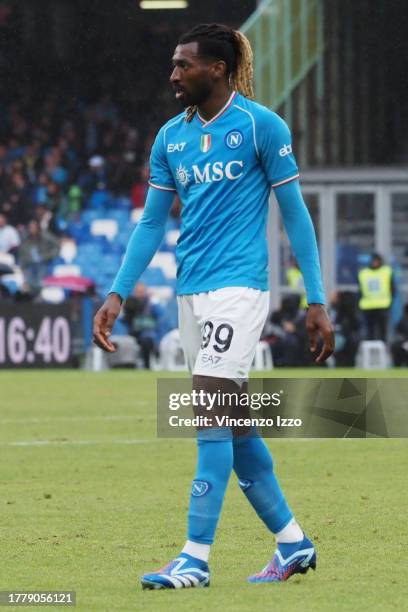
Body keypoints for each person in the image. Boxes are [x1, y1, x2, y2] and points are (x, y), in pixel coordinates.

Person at [93, 23, 334, 590]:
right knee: (236, 426)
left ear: (217, 69)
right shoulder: (169, 138)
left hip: (238, 290)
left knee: (208, 414)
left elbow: (295, 214)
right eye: (174, 65)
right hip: (191, 292)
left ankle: (194, 558)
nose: (173, 75)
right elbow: (152, 221)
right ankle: (294, 543)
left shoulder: (259, 126)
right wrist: (117, 291)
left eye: (183, 65)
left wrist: (315, 296)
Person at [358, 253, 394, 341]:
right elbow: (360, 291)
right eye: (373, 261)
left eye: (377, 261)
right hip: (367, 306)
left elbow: (393, 288)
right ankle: (370, 351)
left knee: (383, 332)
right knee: (369, 332)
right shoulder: (363, 273)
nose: (375, 263)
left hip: (383, 305)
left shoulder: (387, 271)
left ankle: (383, 351)